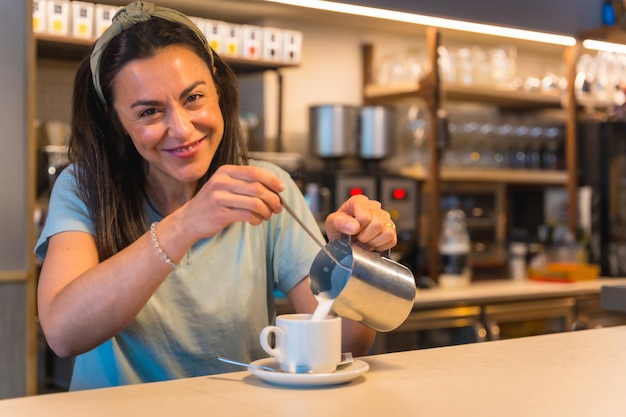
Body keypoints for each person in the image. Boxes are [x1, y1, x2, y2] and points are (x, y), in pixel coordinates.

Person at [35, 2, 398, 391]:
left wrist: (356, 261)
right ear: (116, 121)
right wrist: (186, 224)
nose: (182, 128)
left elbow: (347, 342)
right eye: (149, 112)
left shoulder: (266, 185)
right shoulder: (83, 187)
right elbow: (63, 333)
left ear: (216, 86)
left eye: (193, 98)